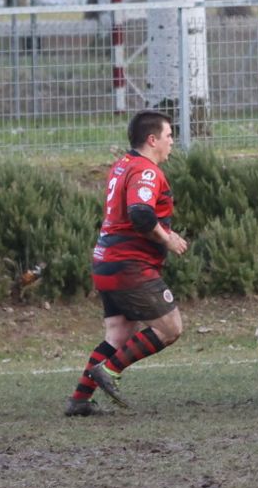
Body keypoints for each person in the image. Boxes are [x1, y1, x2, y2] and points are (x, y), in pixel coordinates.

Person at [66, 109, 188, 415]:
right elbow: (140, 212)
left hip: (107, 261)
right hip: (129, 265)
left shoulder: (123, 164)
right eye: (169, 135)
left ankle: (80, 400)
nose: (172, 142)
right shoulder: (147, 171)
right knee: (170, 327)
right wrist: (167, 238)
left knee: (118, 335)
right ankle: (110, 370)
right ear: (152, 140)